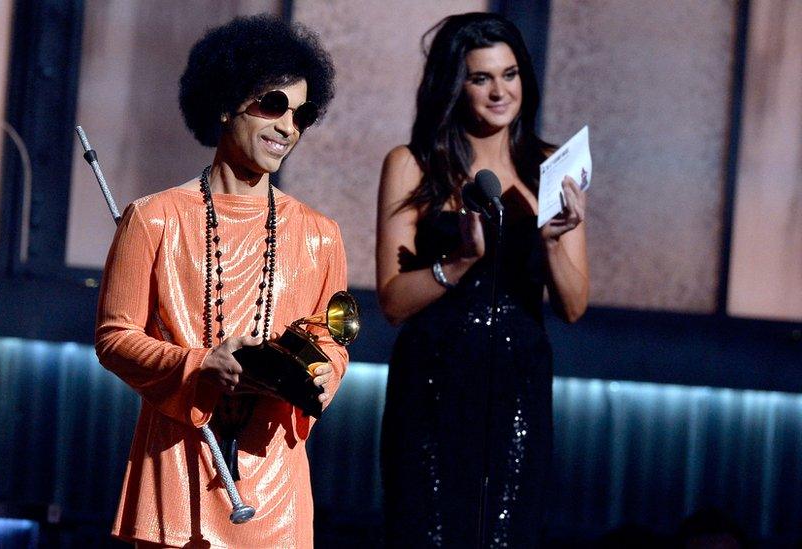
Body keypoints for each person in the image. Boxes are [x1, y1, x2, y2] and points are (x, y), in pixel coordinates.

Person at [95, 15, 347, 548]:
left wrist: (320, 375)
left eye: (300, 116)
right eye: (273, 105)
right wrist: (200, 363)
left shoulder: (321, 236)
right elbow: (114, 339)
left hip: (274, 482)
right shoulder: (153, 218)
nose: (287, 128)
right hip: (175, 473)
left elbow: (330, 341)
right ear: (225, 103)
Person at [376, 12, 588, 547]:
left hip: (518, 383)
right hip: (432, 382)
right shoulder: (412, 164)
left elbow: (573, 307)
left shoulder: (551, 166)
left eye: (510, 74)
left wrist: (553, 239)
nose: (500, 91)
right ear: (455, 84)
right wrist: (462, 262)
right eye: (481, 78)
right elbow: (394, 302)